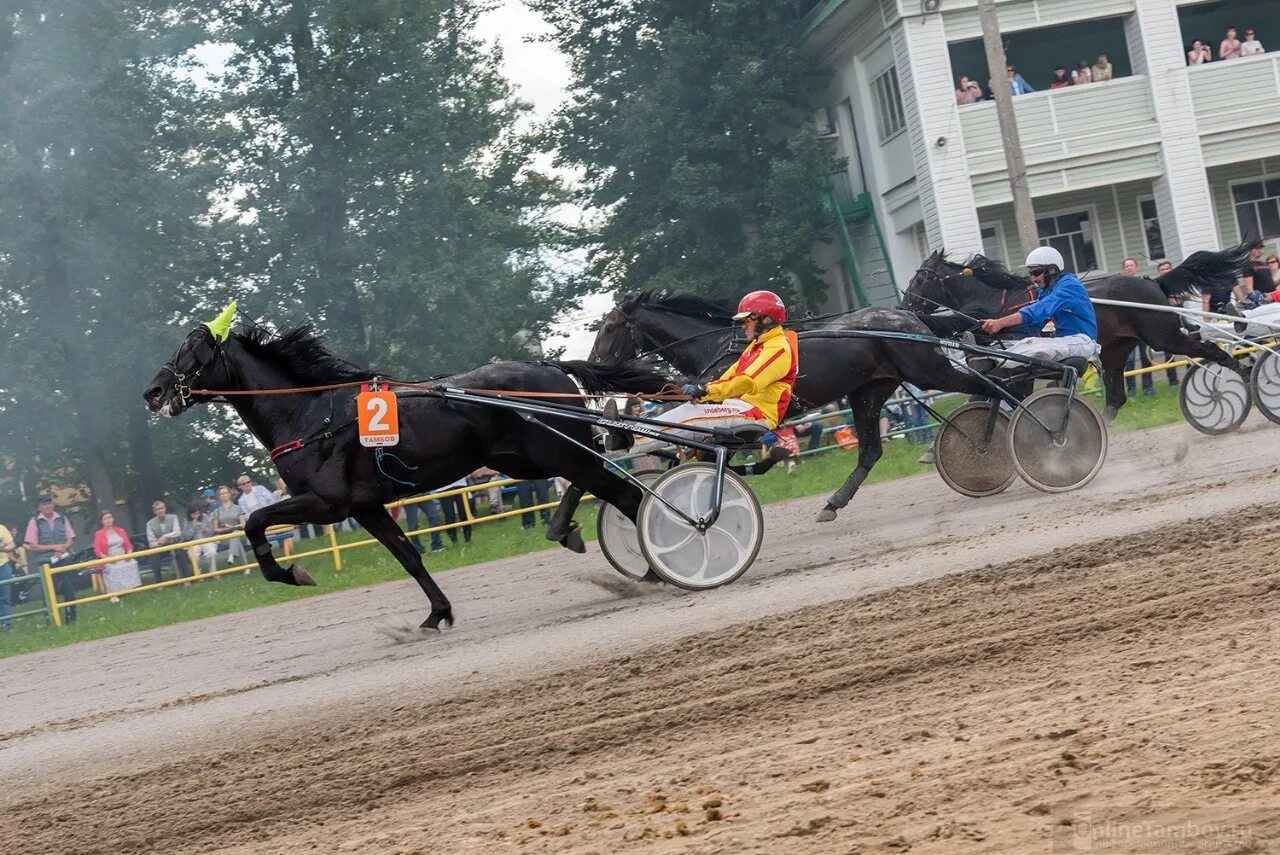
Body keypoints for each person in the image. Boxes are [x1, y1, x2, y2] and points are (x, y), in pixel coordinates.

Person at [617, 290, 798, 456]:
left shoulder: (778, 348)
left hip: (757, 413)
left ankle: (627, 441)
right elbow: (729, 377)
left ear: (766, 320)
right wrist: (701, 391)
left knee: (688, 416)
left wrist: (706, 390)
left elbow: (746, 381)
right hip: (739, 407)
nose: (743, 326)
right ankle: (619, 437)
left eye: (747, 320)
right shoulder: (756, 347)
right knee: (689, 409)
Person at [978, 247, 1100, 365]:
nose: (1033, 279)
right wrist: (1008, 335)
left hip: (1082, 341)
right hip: (1064, 341)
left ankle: (989, 361)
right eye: (1030, 273)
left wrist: (1001, 322)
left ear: (1052, 270)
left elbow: (1038, 311)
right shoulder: (1046, 291)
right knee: (1009, 344)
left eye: (1036, 273)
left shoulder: (1070, 287)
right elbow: (1035, 325)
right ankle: (970, 361)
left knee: (1032, 345)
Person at [24, 495, 78, 623]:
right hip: (45, 563)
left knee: (69, 591)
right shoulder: (34, 522)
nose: (48, 506)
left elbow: (70, 538)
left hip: (64, 559)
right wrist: (54, 548)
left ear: (53, 504)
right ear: (39, 507)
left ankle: (72, 620)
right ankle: (52, 621)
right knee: (49, 594)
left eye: (49, 503)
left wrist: (63, 548)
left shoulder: (62, 519)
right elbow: (32, 545)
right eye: (44, 504)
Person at [93, 511, 142, 594]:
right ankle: (116, 592)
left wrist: (129, 555)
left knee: (133, 563)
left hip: (123, 556)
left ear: (113, 519)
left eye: (110, 517)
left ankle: (131, 588)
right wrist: (109, 559)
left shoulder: (120, 530)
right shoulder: (99, 534)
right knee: (113, 568)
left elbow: (129, 546)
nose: (108, 520)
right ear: (101, 521)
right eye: (105, 518)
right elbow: (98, 552)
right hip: (109, 559)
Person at [146, 499, 192, 580]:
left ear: (165, 508)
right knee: (154, 558)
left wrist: (165, 537)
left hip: (174, 544)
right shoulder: (149, 524)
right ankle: (159, 583)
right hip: (160, 548)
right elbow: (151, 542)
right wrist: (161, 542)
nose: (160, 511)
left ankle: (187, 579)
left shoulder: (173, 517)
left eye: (162, 508)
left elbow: (178, 532)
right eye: (158, 509)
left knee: (181, 553)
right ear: (154, 511)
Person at [210, 485, 247, 565]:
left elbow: (243, 524)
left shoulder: (238, 508)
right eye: (221, 494)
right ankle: (243, 566)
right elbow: (216, 529)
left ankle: (231, 556)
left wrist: (233, 527)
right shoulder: (216, 512)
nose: (224, 495)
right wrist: (225, 529)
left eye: (226, 493)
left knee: (235, 534)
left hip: (240, 534)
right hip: (226, 537)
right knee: (232, 537)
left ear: (230, 494)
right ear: (219, 497)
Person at [182, 503, 219, 574]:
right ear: (189, 514)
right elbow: (186, 536)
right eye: (194, 514)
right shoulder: (186, 521)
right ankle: (198, 572)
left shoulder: (205, 517)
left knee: (212, 552)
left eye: (198, 513)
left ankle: (213, 572)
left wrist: (204, 529)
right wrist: (193, 527)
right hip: (194, 542)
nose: (196, 516)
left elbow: (211, 532)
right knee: (193, 556)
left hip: (206, 539)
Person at [0, 520, 18, 631]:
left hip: (3, 565)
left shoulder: (1, 528)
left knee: (5, 598)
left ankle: (7, 626)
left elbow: (12, 545)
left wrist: (3, 549)